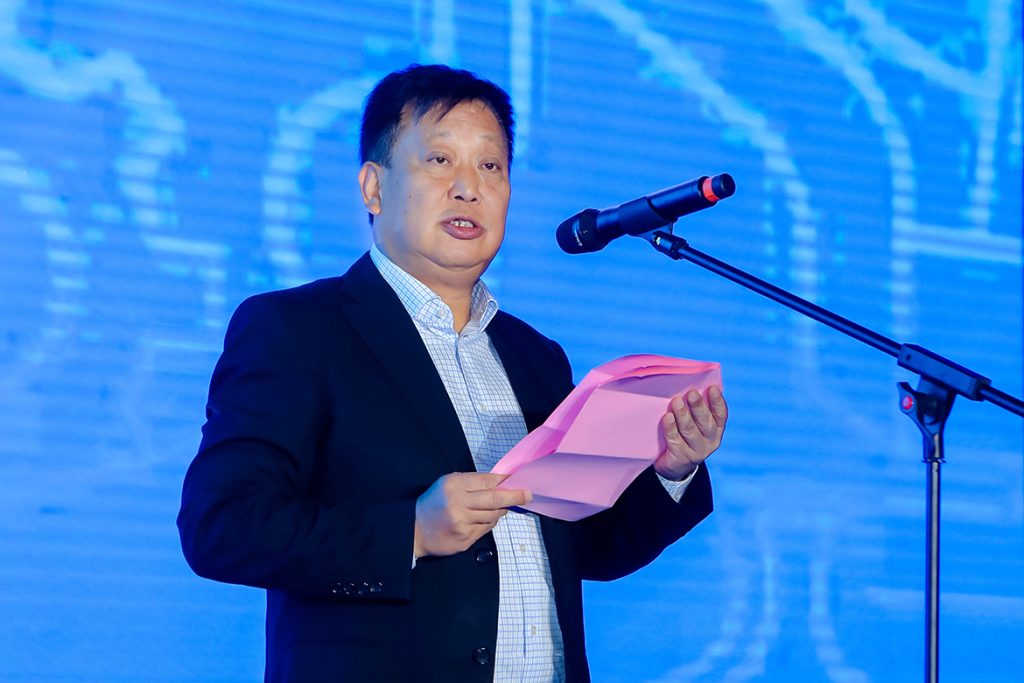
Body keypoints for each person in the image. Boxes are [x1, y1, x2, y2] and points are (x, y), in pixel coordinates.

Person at [177, 63, 728, 683]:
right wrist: (411, 531)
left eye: (490, 166)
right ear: (374, 187)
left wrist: (672, 469)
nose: (468, 188)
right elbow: (220, 527)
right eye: (439, 160)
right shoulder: (296, 330)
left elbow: (588, 548)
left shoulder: (535, 356)